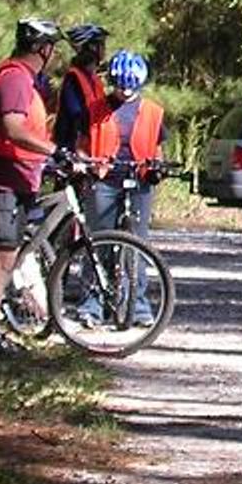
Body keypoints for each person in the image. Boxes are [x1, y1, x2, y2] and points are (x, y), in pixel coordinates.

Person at [0, 18, 63, 360]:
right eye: (53, 47)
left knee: (8, 252)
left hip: (18, 176)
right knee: (2, 253)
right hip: (3, 177)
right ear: (44, 48)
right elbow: (13, 128)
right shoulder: (15, 79)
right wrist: (54, 151)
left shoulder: (24, 80)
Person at [79, 50, 166, 325]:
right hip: (104, 180)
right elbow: (81, 146)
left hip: (138, 180)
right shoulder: (95, 109)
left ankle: (137, 305)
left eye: (130, 87)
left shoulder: (152, 112)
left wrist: (158, 168)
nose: (124, 92)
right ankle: (92, 305)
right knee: (99, 242)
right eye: (120, 86)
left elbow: (157, 148)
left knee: (138, 244)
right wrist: (86, 164)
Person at [52, 23, 108, 154]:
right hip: (73, 150)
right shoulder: (73, 78)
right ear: (93, 47)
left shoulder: (94, 79)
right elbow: (76, 116)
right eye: (102, 45)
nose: (105, 50)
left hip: (93, 147)